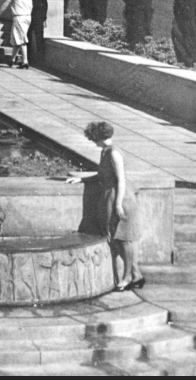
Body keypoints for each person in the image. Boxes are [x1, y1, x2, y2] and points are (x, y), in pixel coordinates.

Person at [67, 121, 144, 290]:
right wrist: (82, 179)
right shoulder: (105, 151)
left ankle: (128, 277)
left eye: (93, 139)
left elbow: (121, 180)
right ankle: (136, 274)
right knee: (115, 237)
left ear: (98, 137)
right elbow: (102, 175)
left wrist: (117, 204)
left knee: (123, 239)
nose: (93, 142)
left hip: (121, 198)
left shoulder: (114, 154)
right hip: (111, 196)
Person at [0, 0, 33, 68]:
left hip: (19, 17)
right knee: (17, 39)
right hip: (28, 16)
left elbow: (5, 4)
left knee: (22, 40)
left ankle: (25, 62)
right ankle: (12, 60)